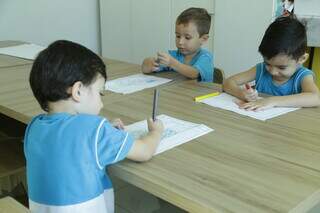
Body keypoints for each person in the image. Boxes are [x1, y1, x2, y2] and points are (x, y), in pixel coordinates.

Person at [24, 40, 164, 213]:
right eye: (100, 92)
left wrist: (102, 129)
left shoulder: (33, 128)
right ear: (78, 91)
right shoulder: (95, 130)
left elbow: (70, 138)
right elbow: (144, 151)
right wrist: (155, 133)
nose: (101, 104)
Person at [223, 17, 320, 111]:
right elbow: (228, 82)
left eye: (281, 67)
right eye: (267, 64)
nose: (273, 72)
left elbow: (316, 98)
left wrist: (272, 101)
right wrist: (241, 94)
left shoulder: (302, 76)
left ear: (302, 59)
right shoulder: (261, 70)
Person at [141, 7, 214, 82]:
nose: (180, 42)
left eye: (187, 37)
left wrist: (172, 63)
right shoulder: (174, 55)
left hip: (202, 93)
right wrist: (149, 63)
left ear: (203, 39)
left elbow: (194, 73)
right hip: (178, 92)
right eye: (178, 36)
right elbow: (146, 69)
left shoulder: (206, 57)